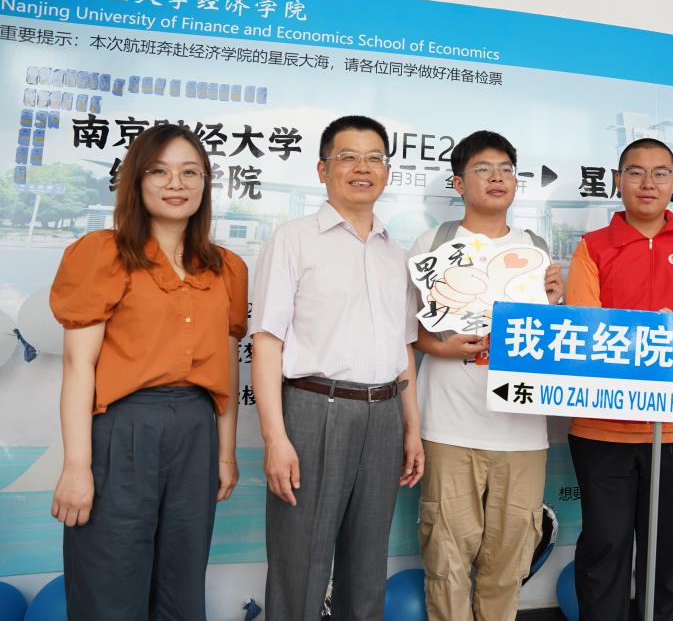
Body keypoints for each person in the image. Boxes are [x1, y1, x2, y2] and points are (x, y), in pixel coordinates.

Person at [49, 124, 248, 620]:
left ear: (205, 184)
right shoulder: (103, 254)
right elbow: (78, 365)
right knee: (110, 579)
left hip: (196, 432)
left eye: (190, 172)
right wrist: (76, 466)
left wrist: (225, 453)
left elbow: (227, 368)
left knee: (182, 583)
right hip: (124, 430)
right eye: (159, 171)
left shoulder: (226, 267)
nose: (176, 183)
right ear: (137, 181)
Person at [251, 115, 424, 620]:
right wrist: (275, 439)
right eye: (348, 157)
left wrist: (412, 428)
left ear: (387, 172)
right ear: (323, 169)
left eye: (374, 158)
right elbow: (266, 342)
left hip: (385, 415)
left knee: (367, 567)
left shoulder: (395, 252)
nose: (362, 168)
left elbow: (403, 348)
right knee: (300, 564)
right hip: (314, 410)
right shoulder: (293, 239)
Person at [564, 137, 673, 621]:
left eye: (660, 173)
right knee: (604, 550)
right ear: (618, 181)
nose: (647, 183)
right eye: (635, 172)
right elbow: (584, 330)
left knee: (666, 554)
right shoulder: (593, 248)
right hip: (603, 428)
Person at [409, 130, 563, 621]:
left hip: (521, 429)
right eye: (482, 169)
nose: (497, 178)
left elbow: (550, 339)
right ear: (458, 183)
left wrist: (554, 302)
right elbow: (408, 333)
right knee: (446, 557)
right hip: (449, 426)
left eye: (505, 169)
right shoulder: (434, 243)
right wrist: (443, 346)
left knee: (509, 559)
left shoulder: (535, 248)